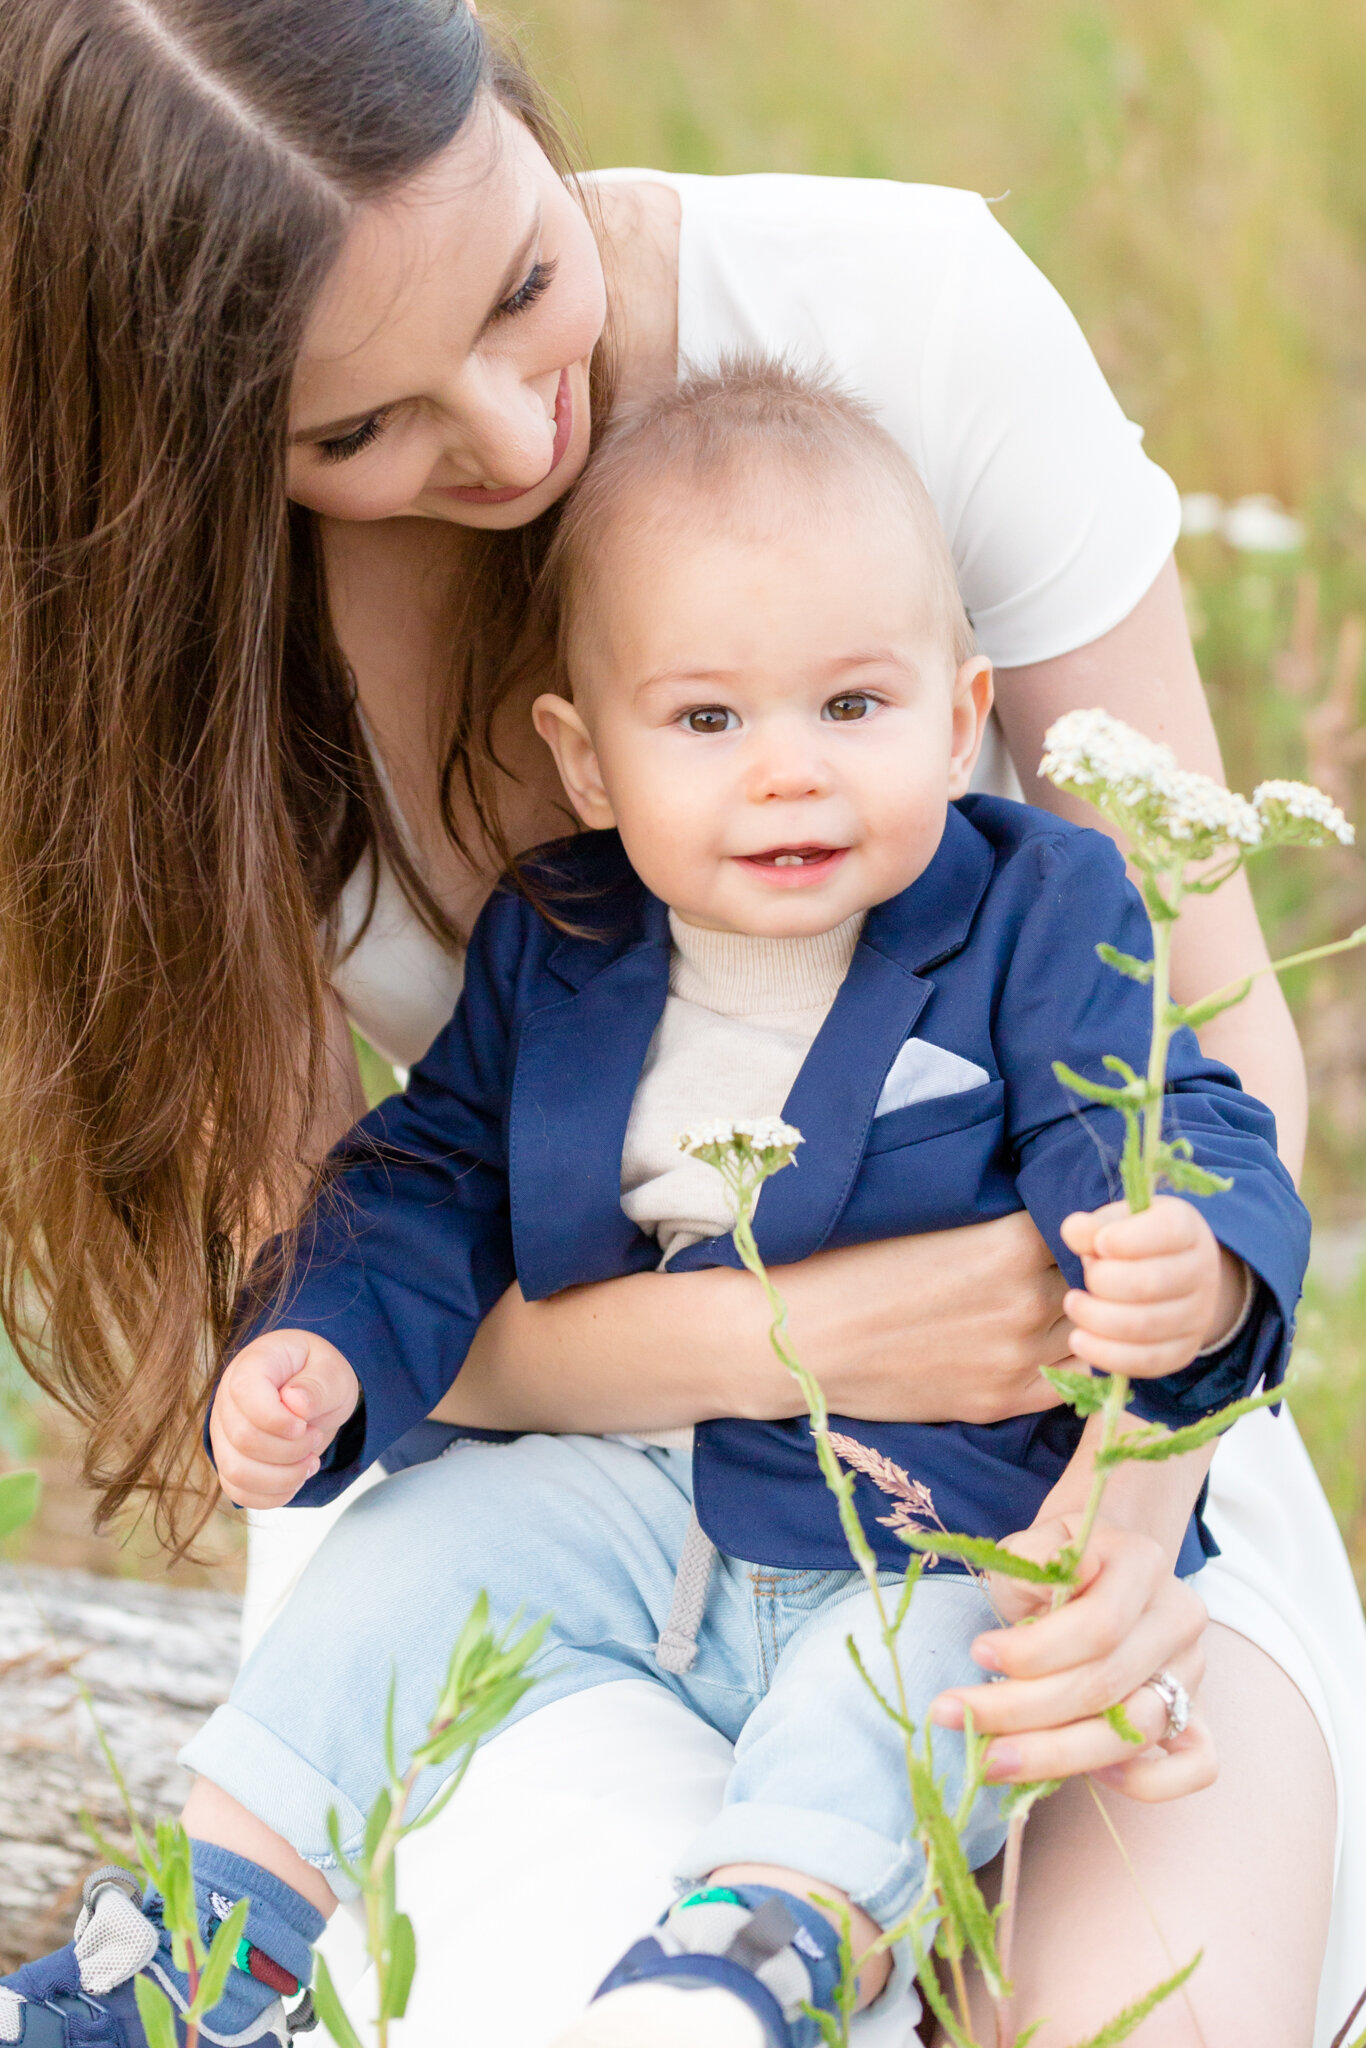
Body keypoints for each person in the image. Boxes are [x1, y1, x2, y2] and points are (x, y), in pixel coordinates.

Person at [0, 3, 1355, 2041]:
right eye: (352, 432)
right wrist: (801, 1333)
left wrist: (1120, 1501)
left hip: (1033, 1458)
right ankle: (216, 1937)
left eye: (517, 289)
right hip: (531, 1473)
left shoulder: (907, 332)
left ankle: (781, 1913)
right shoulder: (175, 681)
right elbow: (351, 1240)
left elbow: (1204, 1063)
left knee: (1134, 2007)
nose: (506, 431)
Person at [167, 362, 1301, 2048]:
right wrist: (319, 1343)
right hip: (631, 1496)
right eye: (707, 721)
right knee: (408, 1558)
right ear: (590, 759)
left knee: (924, 1686)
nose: (786, 773)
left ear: (954, 706)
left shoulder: (1030, 909)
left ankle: (749, 1957)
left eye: (851, 706)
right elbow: (427, 1179)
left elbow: (1164, 1116)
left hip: (917, 1519)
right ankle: (199, 1948)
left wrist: (1189, 1272)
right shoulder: (558, 942)